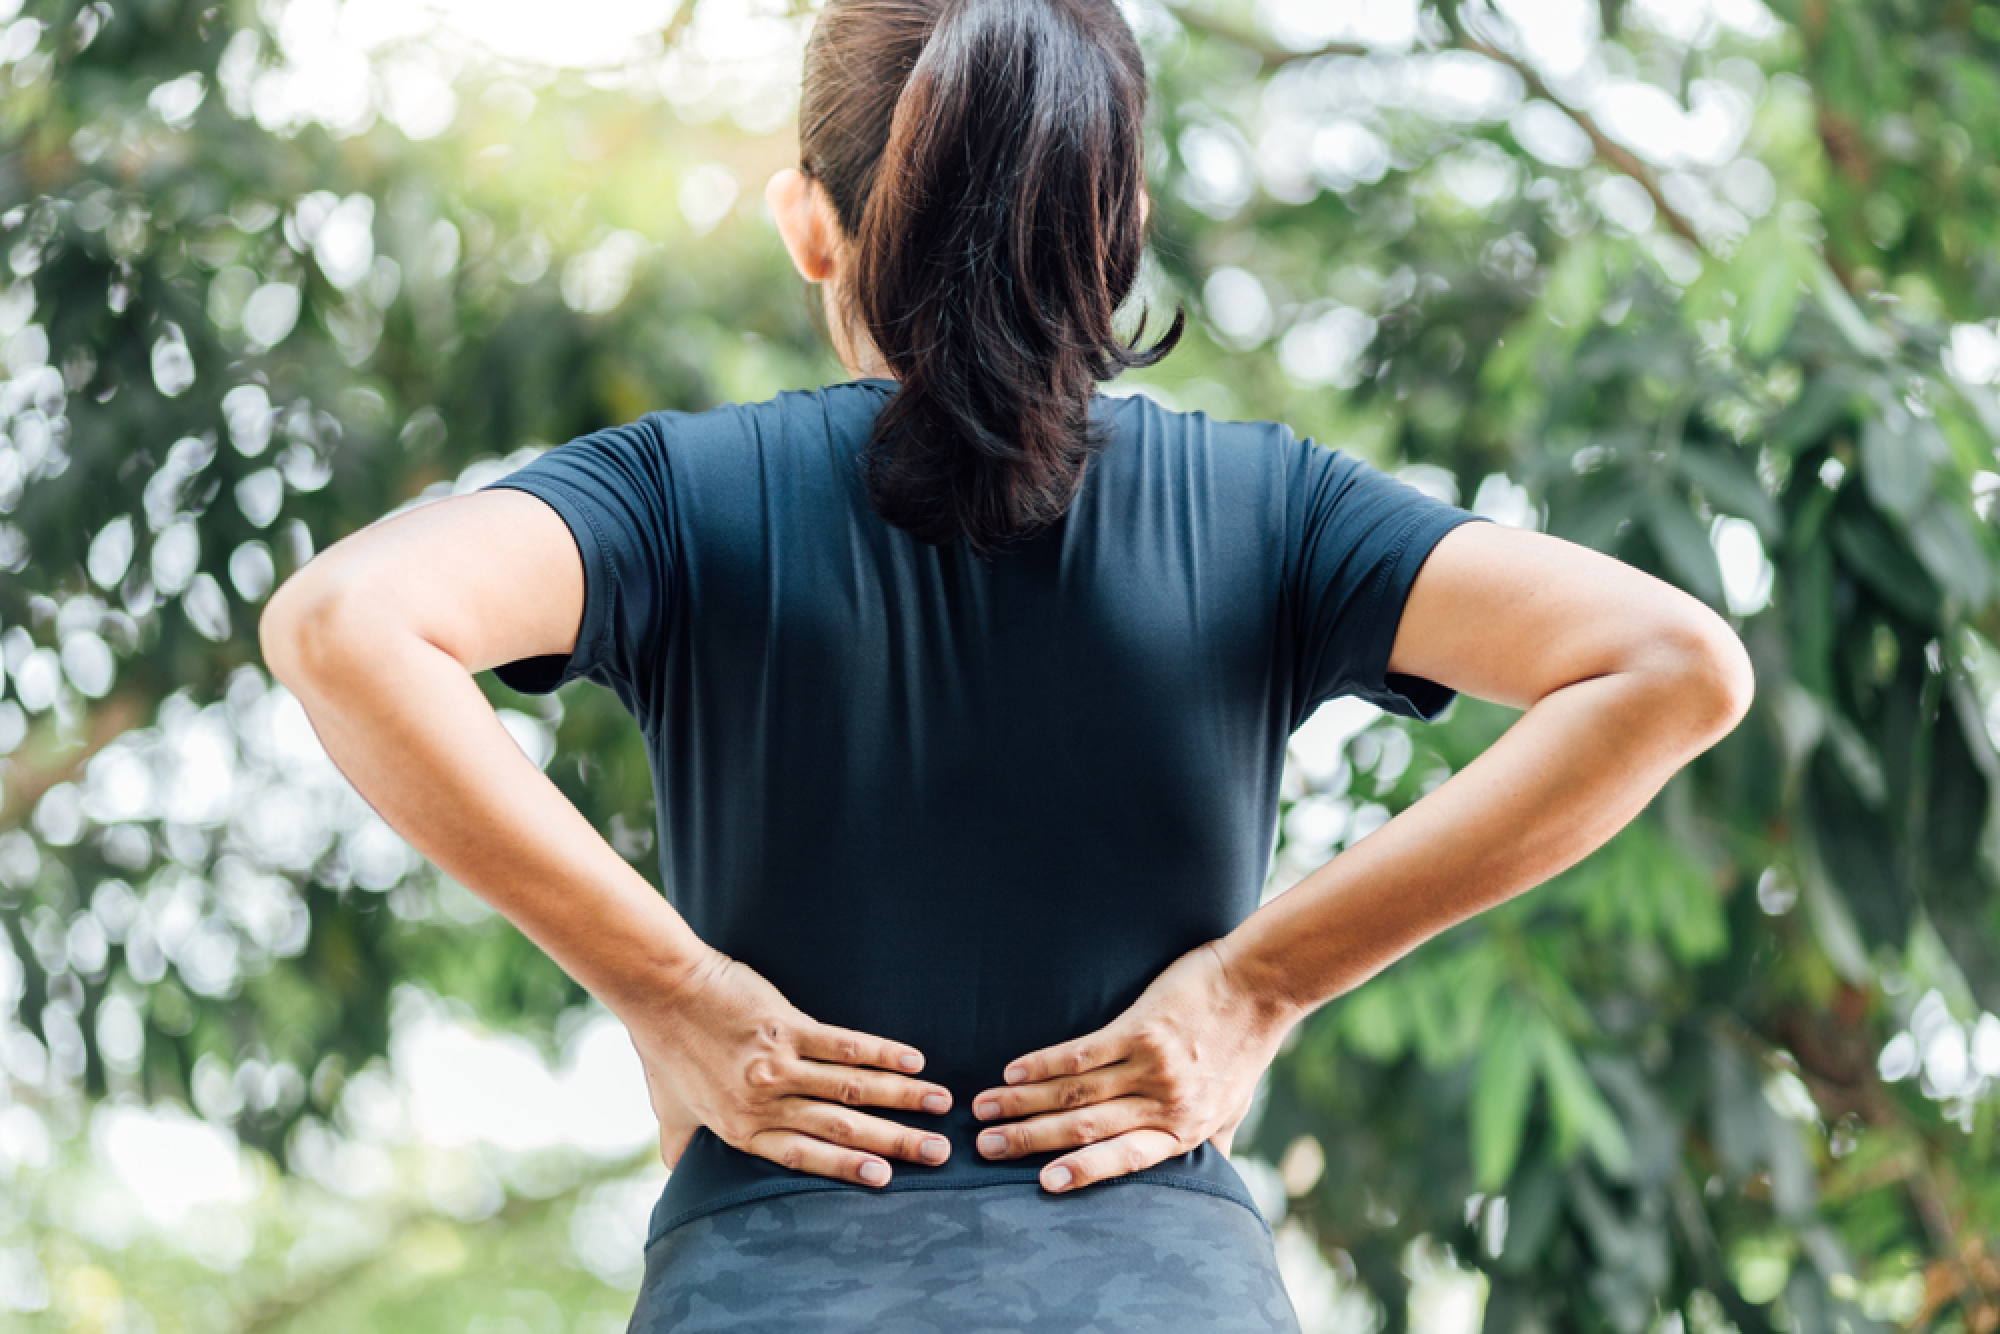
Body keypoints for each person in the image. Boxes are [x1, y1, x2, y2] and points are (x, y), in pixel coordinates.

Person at [258, 0, 1754, 1328]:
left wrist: (670, 995)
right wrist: (1258, 983)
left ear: (808, 222)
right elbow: (1671, 663)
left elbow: (343, 624)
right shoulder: (1271, 508)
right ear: (1123, 223)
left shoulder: (677, 496)